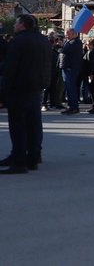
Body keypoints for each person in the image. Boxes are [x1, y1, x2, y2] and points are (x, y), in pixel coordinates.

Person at [0, 15, 51, 173]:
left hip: (19, 89)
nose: (14, 25)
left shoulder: (18, 41)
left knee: (18, 125)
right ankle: (33, 157)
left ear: (22, 24)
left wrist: (4, 91)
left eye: (16, 22)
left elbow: (11, 68)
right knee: (34, 124)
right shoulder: (43, 40)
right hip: (36, 88)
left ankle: (19, 161)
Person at [59, 28, 83, 115]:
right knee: (68, 89)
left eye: (67, 34)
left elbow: (64, 51)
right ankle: (71, 106)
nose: (66, 36)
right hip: (66, 68)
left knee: (71, 88)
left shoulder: (76, 42)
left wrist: (62, 46)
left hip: (71, 69)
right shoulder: (69, 42)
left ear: (73, 34)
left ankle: (74, 107)